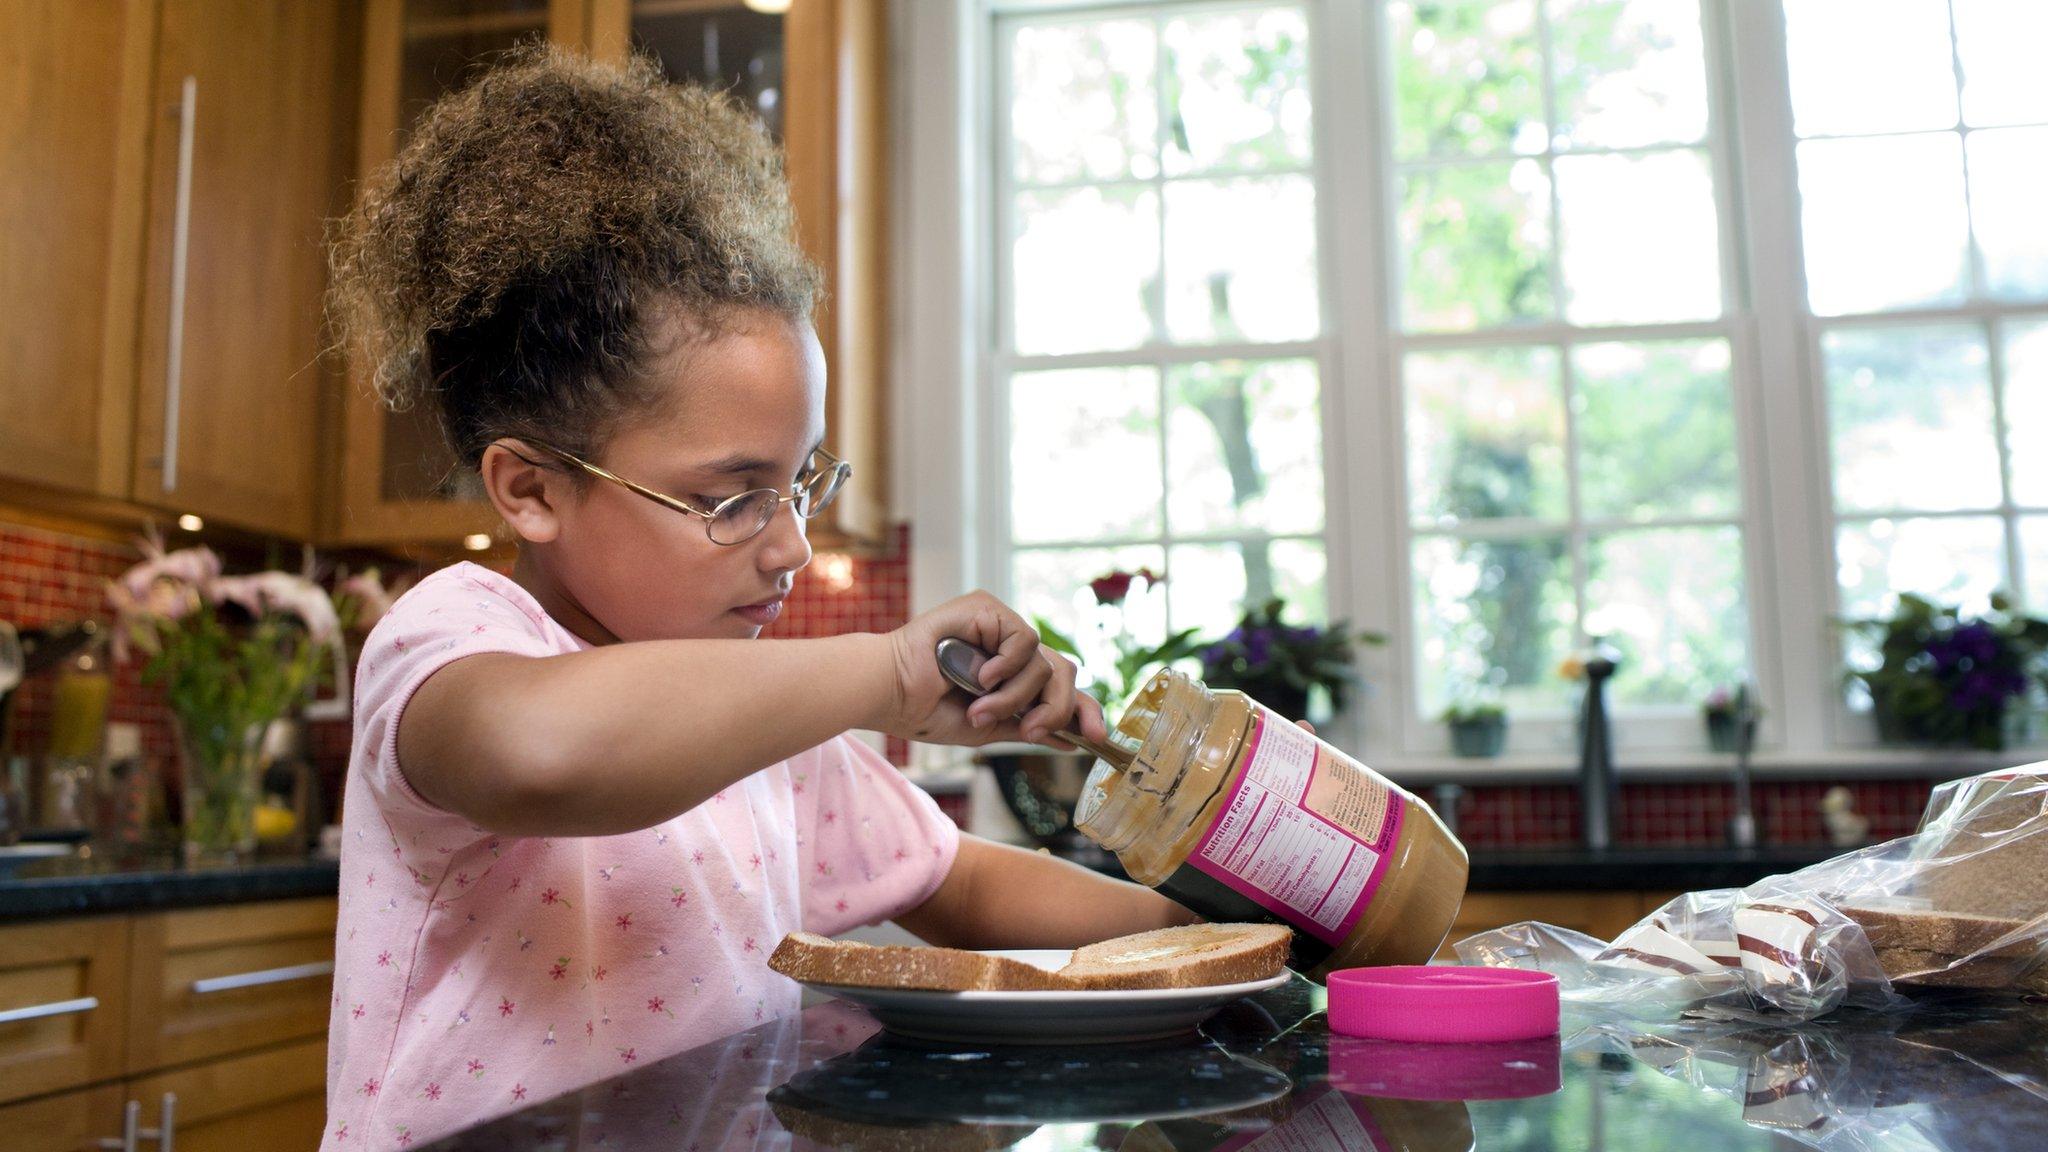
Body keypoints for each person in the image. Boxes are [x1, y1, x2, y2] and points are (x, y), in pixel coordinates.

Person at [319, 46, 1192, 1150]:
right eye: (731, 498)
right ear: (531, 491)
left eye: (801, 483)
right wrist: (881, 670)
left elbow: (957, 880)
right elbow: (540, 751)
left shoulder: (761, 718)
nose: (787, 544)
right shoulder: (453, 637)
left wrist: (1221, 934)